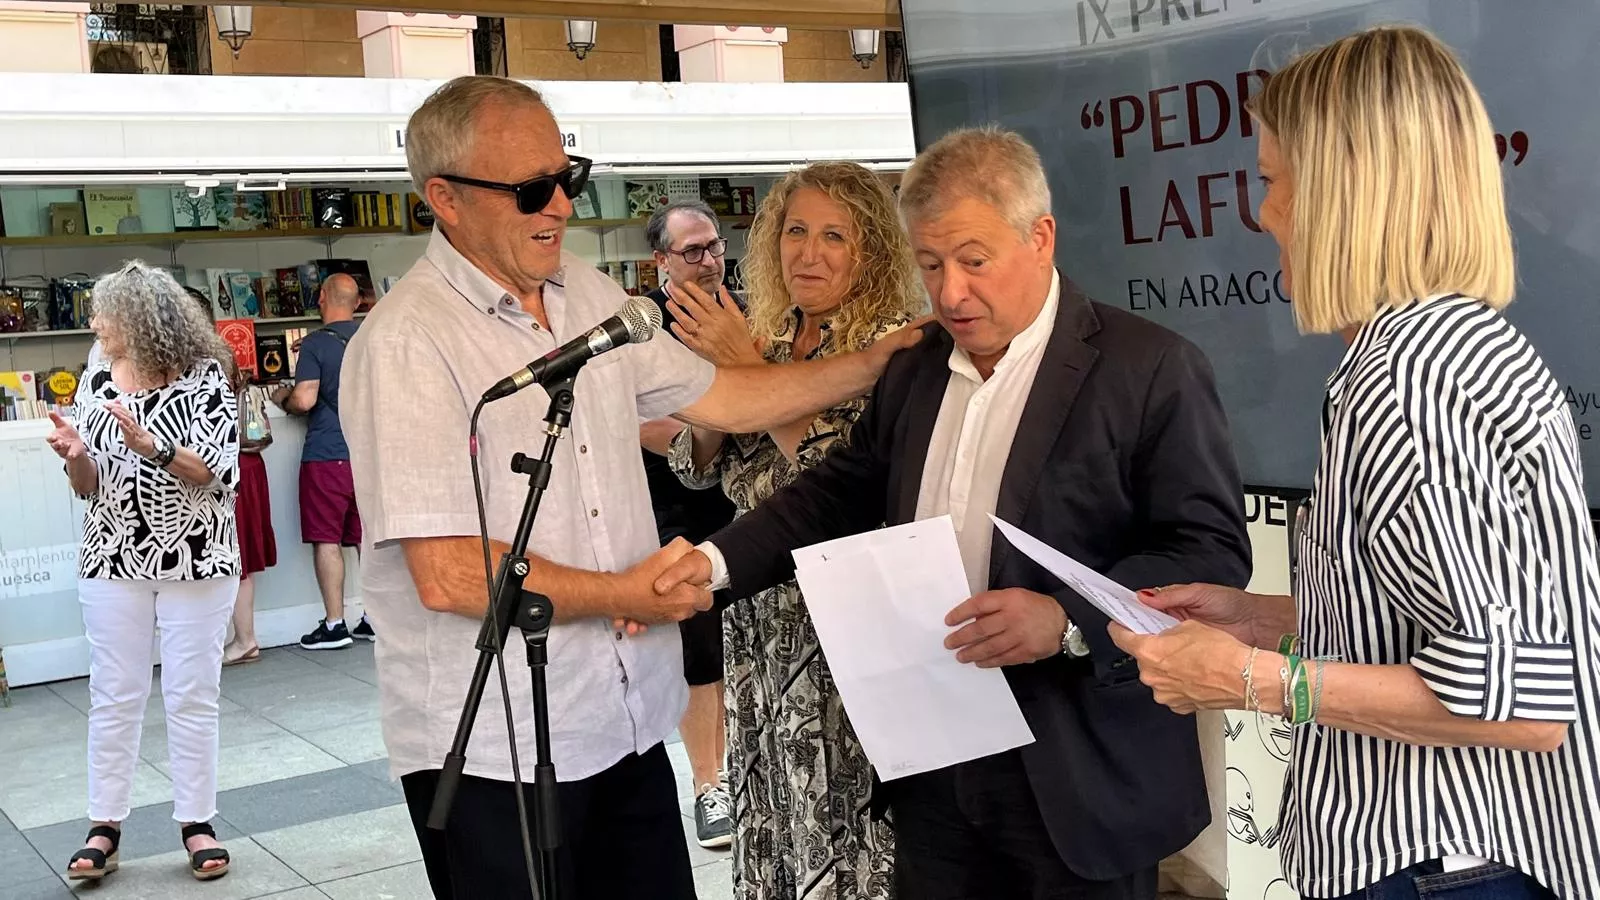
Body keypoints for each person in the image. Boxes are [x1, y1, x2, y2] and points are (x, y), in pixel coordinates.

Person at [339, 75, 926, 900]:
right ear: (446, 198)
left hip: (625, 723)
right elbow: (452, 574)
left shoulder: (586, 293)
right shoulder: (406, 344)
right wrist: (627, 593)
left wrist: (872, 360)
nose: (560, 208)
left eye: (567, 178)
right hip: (498, 746)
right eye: (530, 190)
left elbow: (722, 397)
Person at [655, 126, 1252, 900]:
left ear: (1041, 238)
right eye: (931, 265)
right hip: (932, 759)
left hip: (1078, 767)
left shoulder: (1150, 368)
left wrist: (1065, 619)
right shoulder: (915, 367)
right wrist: (713, 564)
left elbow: (1206, 550)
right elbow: (838, 491)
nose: (951, 293)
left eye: (974, 261)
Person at [1113, 25, 1600, 900]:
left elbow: (1518, 705)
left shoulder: (1408, 385)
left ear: (1343, 193)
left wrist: (1250, 679)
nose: (1260, 214)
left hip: (1442, 871)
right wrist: (1259, 618)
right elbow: (1453, 626)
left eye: (1270, 181)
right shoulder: (1446, 351)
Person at [665, 162, 922, 899]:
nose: (808, 253)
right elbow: (691, 465)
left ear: (871, 247)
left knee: (843, 820)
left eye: (834, 235)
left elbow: (840, 482)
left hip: (843, 619)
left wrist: (744, 368)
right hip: (757, 617)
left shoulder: (892, 347)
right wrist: (725, 382)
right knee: (773, 811)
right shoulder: (769, 334)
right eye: (796, 231)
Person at [44, 261, 240, 883]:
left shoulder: (207, 378)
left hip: (198, 557)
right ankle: (105, 825)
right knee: (114, 693)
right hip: (111, 556)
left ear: (139, 317)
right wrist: (76, 458)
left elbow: (214, 470)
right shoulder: (96, 378)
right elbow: (88, 486)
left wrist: (151, 445)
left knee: (191, 693)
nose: (94, 321)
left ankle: (197, 822)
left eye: (104, 310)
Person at [640, 199, 739, 849]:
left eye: (714, 247)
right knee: (699, 656)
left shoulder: (747, 313)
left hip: (750, 504)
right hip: (678, 513)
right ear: (661, 261)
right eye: (692, 252)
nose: (708, 261)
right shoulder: (641, 332)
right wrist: (733, 422)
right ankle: (710, 784)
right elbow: (641, 425)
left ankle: (751, 771)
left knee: (752, 645)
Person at [175, 285, 277, 667]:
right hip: (245, 465)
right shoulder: (224, 355)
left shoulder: (201, 361)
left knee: (235, 558)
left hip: (228, 469)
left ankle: (245, 638)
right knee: (235, 556)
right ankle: (240, 638)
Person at [270, 274, 372, 649]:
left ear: (322, 297)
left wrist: (283, 396)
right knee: (365, 538)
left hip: (328, 453)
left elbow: (305, 400)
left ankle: (334, 624)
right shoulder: (370, 338)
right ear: (359, 302)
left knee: (327, 539)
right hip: (366, 454)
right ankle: (374, 617)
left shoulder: (315, 344)